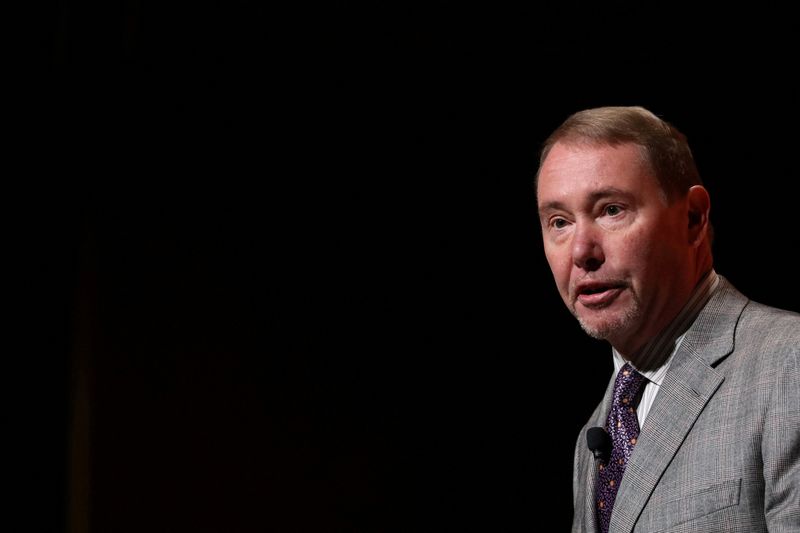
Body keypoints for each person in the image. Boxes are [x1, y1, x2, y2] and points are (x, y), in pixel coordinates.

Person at [535, 106, 799, 533]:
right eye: (559, 222)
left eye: (611, 210)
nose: (582, 251)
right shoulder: (597, 434)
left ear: (693, 218)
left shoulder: (788, 364)